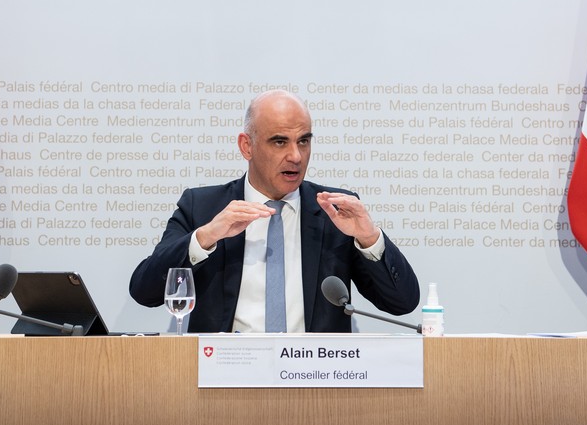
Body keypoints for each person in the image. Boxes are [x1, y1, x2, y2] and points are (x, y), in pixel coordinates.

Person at [129, 90, 420, 333]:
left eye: (303, 141)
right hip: (223, 381)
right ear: (247, 146)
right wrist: (203, 238)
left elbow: (402, 303)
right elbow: (145, 290)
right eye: (280, 141)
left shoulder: (335, 212)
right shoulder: (202, 207)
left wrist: (369, 238)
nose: (295, 156)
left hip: (315, 380)